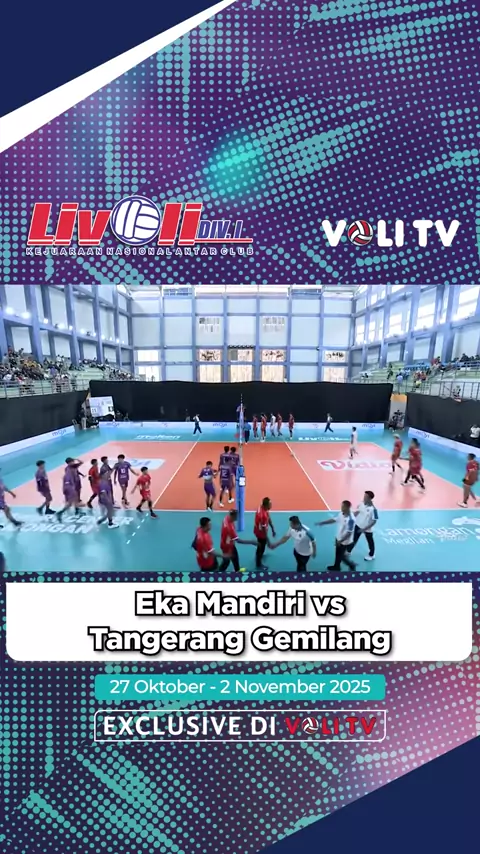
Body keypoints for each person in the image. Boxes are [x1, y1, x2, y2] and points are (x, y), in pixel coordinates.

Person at [316, 500, 357, 572]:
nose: (341, 508)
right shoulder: (341, 514)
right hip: (338, 538)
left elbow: (349, 533)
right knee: (337, 553)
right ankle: (336, 566)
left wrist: (341, 541)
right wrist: (323, 522)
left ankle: (351, 565)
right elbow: (334, 520)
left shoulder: (351, 520)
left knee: (341, 556)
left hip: (344, 541)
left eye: (343, 506)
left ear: (347, 507)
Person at [349, 491, 378, 561]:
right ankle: (348, 551)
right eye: (364, 496)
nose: (364, 497)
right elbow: (357, 512)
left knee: (370, 542)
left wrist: (364, 529)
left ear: (370, 498)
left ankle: (371, 555)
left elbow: (374, 521)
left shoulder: (374, 509)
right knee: (354, 539)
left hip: (367, 529)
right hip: (358, 525)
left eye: (366, 497)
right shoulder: (361, 504)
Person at [254, 497, 276, 570]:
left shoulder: (262, 508)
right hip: (260, 533)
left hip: (259, 530)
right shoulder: (262, 515)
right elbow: (263, 530)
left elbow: (268, 517)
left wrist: (272, 528)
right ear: (266, 505)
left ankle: (259, 556)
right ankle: (258, 564)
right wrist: (268, 541)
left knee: (261, 546)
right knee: (261, 548)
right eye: (270, 504)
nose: (271, 505)